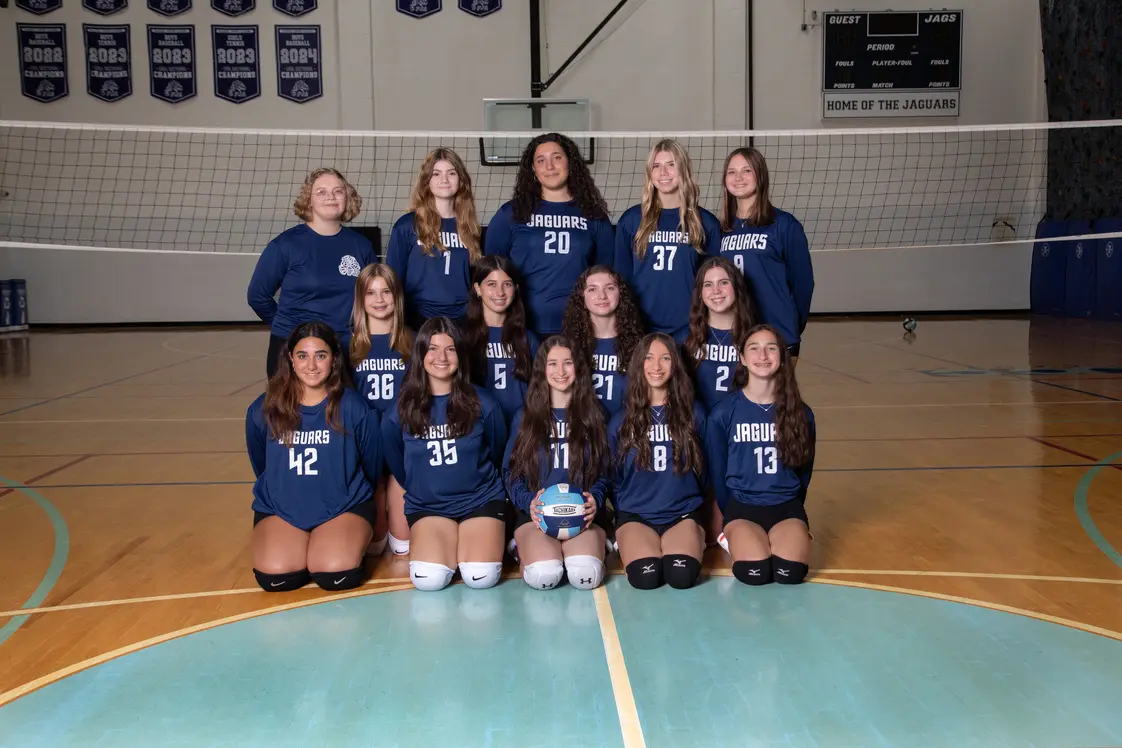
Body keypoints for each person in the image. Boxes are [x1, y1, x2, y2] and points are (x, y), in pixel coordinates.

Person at [246, 321, 382, 592]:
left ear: (334, 359)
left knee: (336, 575)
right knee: (276, 578)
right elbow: (262, 465)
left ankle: (335, 542)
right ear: (290, 359)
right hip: (282, 509)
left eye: (320, 355)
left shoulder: (353, 407)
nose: (311, 365)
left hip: (343, 506)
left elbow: (372, 467)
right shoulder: (264, 409)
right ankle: (300, 543)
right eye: (302, 355)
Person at [381, 317, 509, 591]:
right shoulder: (399, 412)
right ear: (420, 354)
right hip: (429, 506)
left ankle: (478, 540)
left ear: (460, 355)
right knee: (429, 579)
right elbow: (399, 466)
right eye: (433, 349)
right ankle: (449, 542)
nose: (442, 357)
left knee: (481, 576)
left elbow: (497, 451)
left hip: (480, 501)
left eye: (450, 349)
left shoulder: (484, 404)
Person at [705, 324, 816, 586]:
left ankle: (797, 534)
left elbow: (805, 470)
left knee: (790, 574)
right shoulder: (724, 413)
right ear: (742, 358)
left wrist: (794, 506)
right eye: (754, 348)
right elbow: (718, 471)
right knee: (754, 573)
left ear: (782, 356)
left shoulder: (801, 413)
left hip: (786, 507)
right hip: (743, 508)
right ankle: (733, 537)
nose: (763, 355)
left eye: (771, 348)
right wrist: (729, 511)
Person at [248, 168, 376, 378]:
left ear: (348, 197)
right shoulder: (286, 245)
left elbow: (372, 296)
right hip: (296, 348)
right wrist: (289, 330)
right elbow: (257, 296)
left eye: (338, 191)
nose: (330, 197)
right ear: (309, 200)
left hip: (345, 347)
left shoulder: (360, 245)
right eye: (321, 192)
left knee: (343, 400)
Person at [503, 336, 609, 591]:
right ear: (542, 369)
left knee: (585, 576)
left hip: (582, 515)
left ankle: (599, 543)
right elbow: (511, 472)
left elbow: (606, 472)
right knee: (545, 575)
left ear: (578, 367)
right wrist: (529, 502)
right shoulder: (525, 417)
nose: (561, 371)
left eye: (568, 363)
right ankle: (523, 549)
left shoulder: (595, 415)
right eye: (552, 363)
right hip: (537, 516)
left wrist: (595, 499)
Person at [484, 132, 615, 338]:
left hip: (579, 325)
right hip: (522, 326)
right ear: (533, 169)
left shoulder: (594, 216)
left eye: (557, 157)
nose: (549, 166)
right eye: (540, 160)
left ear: (570, 163)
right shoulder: (511, 214)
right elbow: (492, 270)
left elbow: (607, 273)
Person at [609, 333, 707, 590]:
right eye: (649, 358)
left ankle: (695, 536)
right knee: (646, 578)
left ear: (675, 364)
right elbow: (613, 478)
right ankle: (627, 540)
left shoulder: (694, 414)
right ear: (638, 364)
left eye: (665, 358)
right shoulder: (621, 421)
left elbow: (705, 471)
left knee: (681, 577)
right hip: (636, 515)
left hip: (681, 514)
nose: (656, 366)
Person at [614, 139, 721, 342]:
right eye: (656, 166)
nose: (663, 172)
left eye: (671, 164)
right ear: (650, 173)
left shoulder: (705, 223)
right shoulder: (631, 221)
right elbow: (621, 279)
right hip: (641, 326)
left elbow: (714, 282)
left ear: (683, 170)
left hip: (689, 327)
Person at [718, 147, 814, 363]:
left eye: (747, 170)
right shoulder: (722, 229)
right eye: (732, 172)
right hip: (736, 335)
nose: (738, 177)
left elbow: (803, 283)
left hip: (778, 333)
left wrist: (792, 324)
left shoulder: (784, 225)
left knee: (777, 388)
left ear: (760, 175)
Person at [350, 263, 412, 556]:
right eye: (370, 293)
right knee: (374, 548)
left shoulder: (413, 342)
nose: (379, 299)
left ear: (396, 296)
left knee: (403, 545)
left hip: (402, 439)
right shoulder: (348, 346)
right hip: (366, 442)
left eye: (386, 291)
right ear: (360, 299)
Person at [385, 148, 482, 329]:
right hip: (418, 320)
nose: (444, 179)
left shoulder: (471, 228)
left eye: (451, 173)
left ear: (461, 180)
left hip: (462, 321)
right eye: (436, 174)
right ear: (426, 180)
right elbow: (392, 279)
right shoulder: (407, 226)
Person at [462, 256, 537, 425]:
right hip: (479, 423)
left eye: (507, 284)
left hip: (520, 425)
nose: (500, 292)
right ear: (477, 289)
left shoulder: (528, 339)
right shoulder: (463, 337)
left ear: (516, 289)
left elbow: (538, 390)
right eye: (491, 284)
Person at [562, 265, 644, 418]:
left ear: (620, 294)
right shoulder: (569, 346)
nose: (602, 296)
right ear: (582, 297)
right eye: (592, 289)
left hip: (626, 425)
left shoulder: (640, 346)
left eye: (610, 288)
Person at [684, 256, 757, 414]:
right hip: (699, 421)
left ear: (736, 287)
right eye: (708, 285)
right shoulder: (686, 336)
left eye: (724, 282)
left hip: (738, 419)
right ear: (700, 293)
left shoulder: (754, 338)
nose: (716, 291)